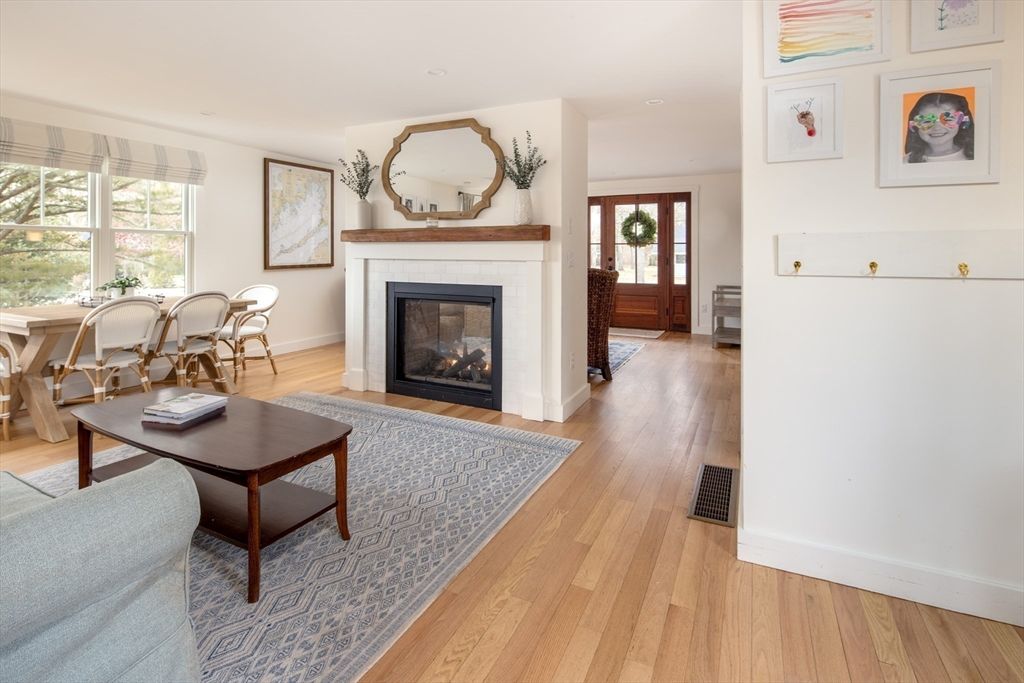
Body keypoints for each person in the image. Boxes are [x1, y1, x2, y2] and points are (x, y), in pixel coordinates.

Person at [904, 92, 974, 163]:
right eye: (927, 121)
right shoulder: (905, 161)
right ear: (913, 125)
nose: (937, 128)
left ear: (963, 121)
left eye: (948, 119)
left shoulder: (976, 157)